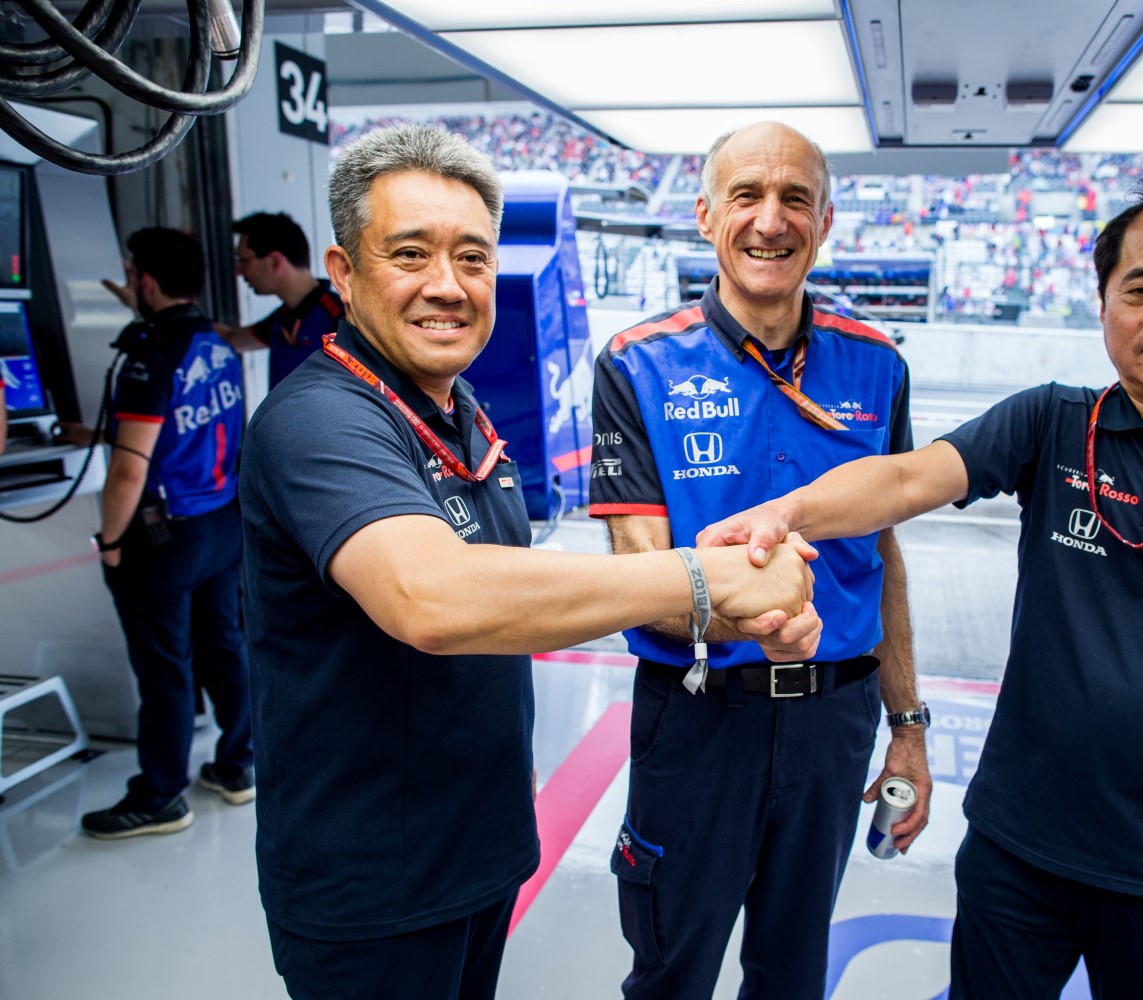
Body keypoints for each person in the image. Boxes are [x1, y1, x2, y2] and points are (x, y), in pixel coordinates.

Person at [700, 176, 1143, 999]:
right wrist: (785, 511)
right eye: (1140, 288)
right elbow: (910, 479)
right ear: (1105, 306)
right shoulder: (1053, 425)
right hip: (1017, 852)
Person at [238, 124, 813, 1000]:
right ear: (344, 272)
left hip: (477, 851)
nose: (448, 285)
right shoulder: (318, 420)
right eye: (409, 253)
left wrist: (727, 602)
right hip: (370, 886)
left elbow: (527, 595)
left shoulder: (458, 412)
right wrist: (701, 579)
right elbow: (431, 597)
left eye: (473, 258)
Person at [588, 120, 932, 1000]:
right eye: (746, 196)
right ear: (706, 215)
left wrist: (907, 729)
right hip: (698, 718)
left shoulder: (877, 364)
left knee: (792, 973)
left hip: (836, 723)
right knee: (673, 970)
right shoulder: (639, 363)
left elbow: (882, 558)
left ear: (824, 222)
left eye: (794, 200)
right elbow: (638, 572)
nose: (770, 221)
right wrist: (760, 615)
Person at [80, 227, 254, 839]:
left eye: (132, 277)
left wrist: (108, 539)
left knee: (165, 668)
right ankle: (239, 764)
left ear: (146, 281)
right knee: (224, 647)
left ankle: (159, 795)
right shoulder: (216, 344)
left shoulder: (150, 356)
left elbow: (129, 469)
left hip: (163, 535)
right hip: (221, 524)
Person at [216, 211, 344, 387]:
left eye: (243, 261)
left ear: (275, 262)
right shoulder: (283, 320)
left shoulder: (339, 318)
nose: (238, 271)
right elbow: (231, 339)